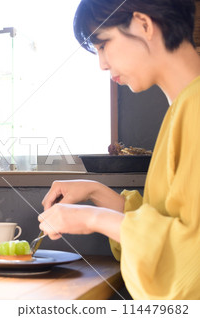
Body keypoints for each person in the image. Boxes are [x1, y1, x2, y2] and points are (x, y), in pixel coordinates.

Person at [39, 0, 200, 299]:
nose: (102, 63)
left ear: (143, 24)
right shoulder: (183, 107)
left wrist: (91, 219)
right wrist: (96, 192)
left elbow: (190, 258)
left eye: (103, 45)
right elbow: (169, 226)